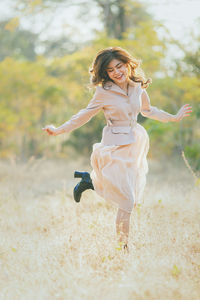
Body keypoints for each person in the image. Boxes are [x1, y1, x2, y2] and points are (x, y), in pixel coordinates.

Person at [42, 47, 192, 251]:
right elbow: (84, 115)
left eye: (119, 66)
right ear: (105, 73)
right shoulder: (104, 91)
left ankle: (89, 181)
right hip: (114, 144)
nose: (117, 72)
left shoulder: (138, 87)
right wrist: (59, 130)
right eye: (111, 70)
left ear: (128, 64)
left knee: (126, 195)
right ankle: (123, 249)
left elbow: (148, 110)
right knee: (127, 200)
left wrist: (173, 117)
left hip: (134, 143)